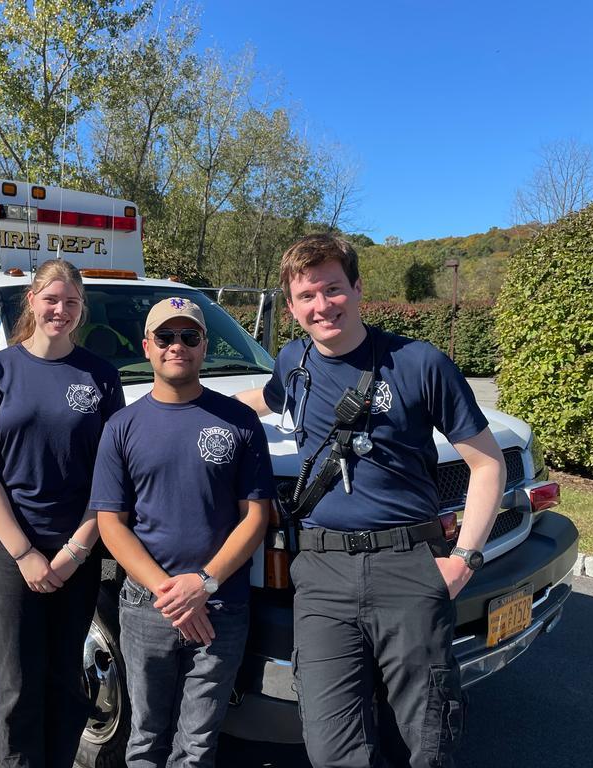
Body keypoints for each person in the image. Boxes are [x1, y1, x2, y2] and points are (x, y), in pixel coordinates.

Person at [235, 234, 506, 768]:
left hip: (408, 568)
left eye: (333, 289)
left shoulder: (420, 363)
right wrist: (179, 405)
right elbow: (259, 403)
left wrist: (465, 560)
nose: (322, 306)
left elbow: (487, 464)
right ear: (290, 308)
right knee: (332, 745)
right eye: (307, 296)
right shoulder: (292, 361)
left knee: (424, 742)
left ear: (358, 289)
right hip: (320, 573)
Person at [90, 297, 272, 768]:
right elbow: (111, 523)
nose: (178, 346)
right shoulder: (122, 426)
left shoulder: (238, 421)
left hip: (221, 604)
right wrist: (170, 593)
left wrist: (203, 583)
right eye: (166, 337)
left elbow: (255, 516)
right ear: (148, 347)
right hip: (147, 605)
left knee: (197, 747)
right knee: (145, 740)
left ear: (204, 346)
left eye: (189, 337)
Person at [0, 259, 125, 768]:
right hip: (13, 551)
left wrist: (76, 551)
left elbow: (111, 478)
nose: (61, 309)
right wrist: (26, 555)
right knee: (15, 682)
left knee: (66, 680)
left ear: (82, 309)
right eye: (51, 299)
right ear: (31, 301)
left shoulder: (100, 375)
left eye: (71, 302)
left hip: (77, 551)